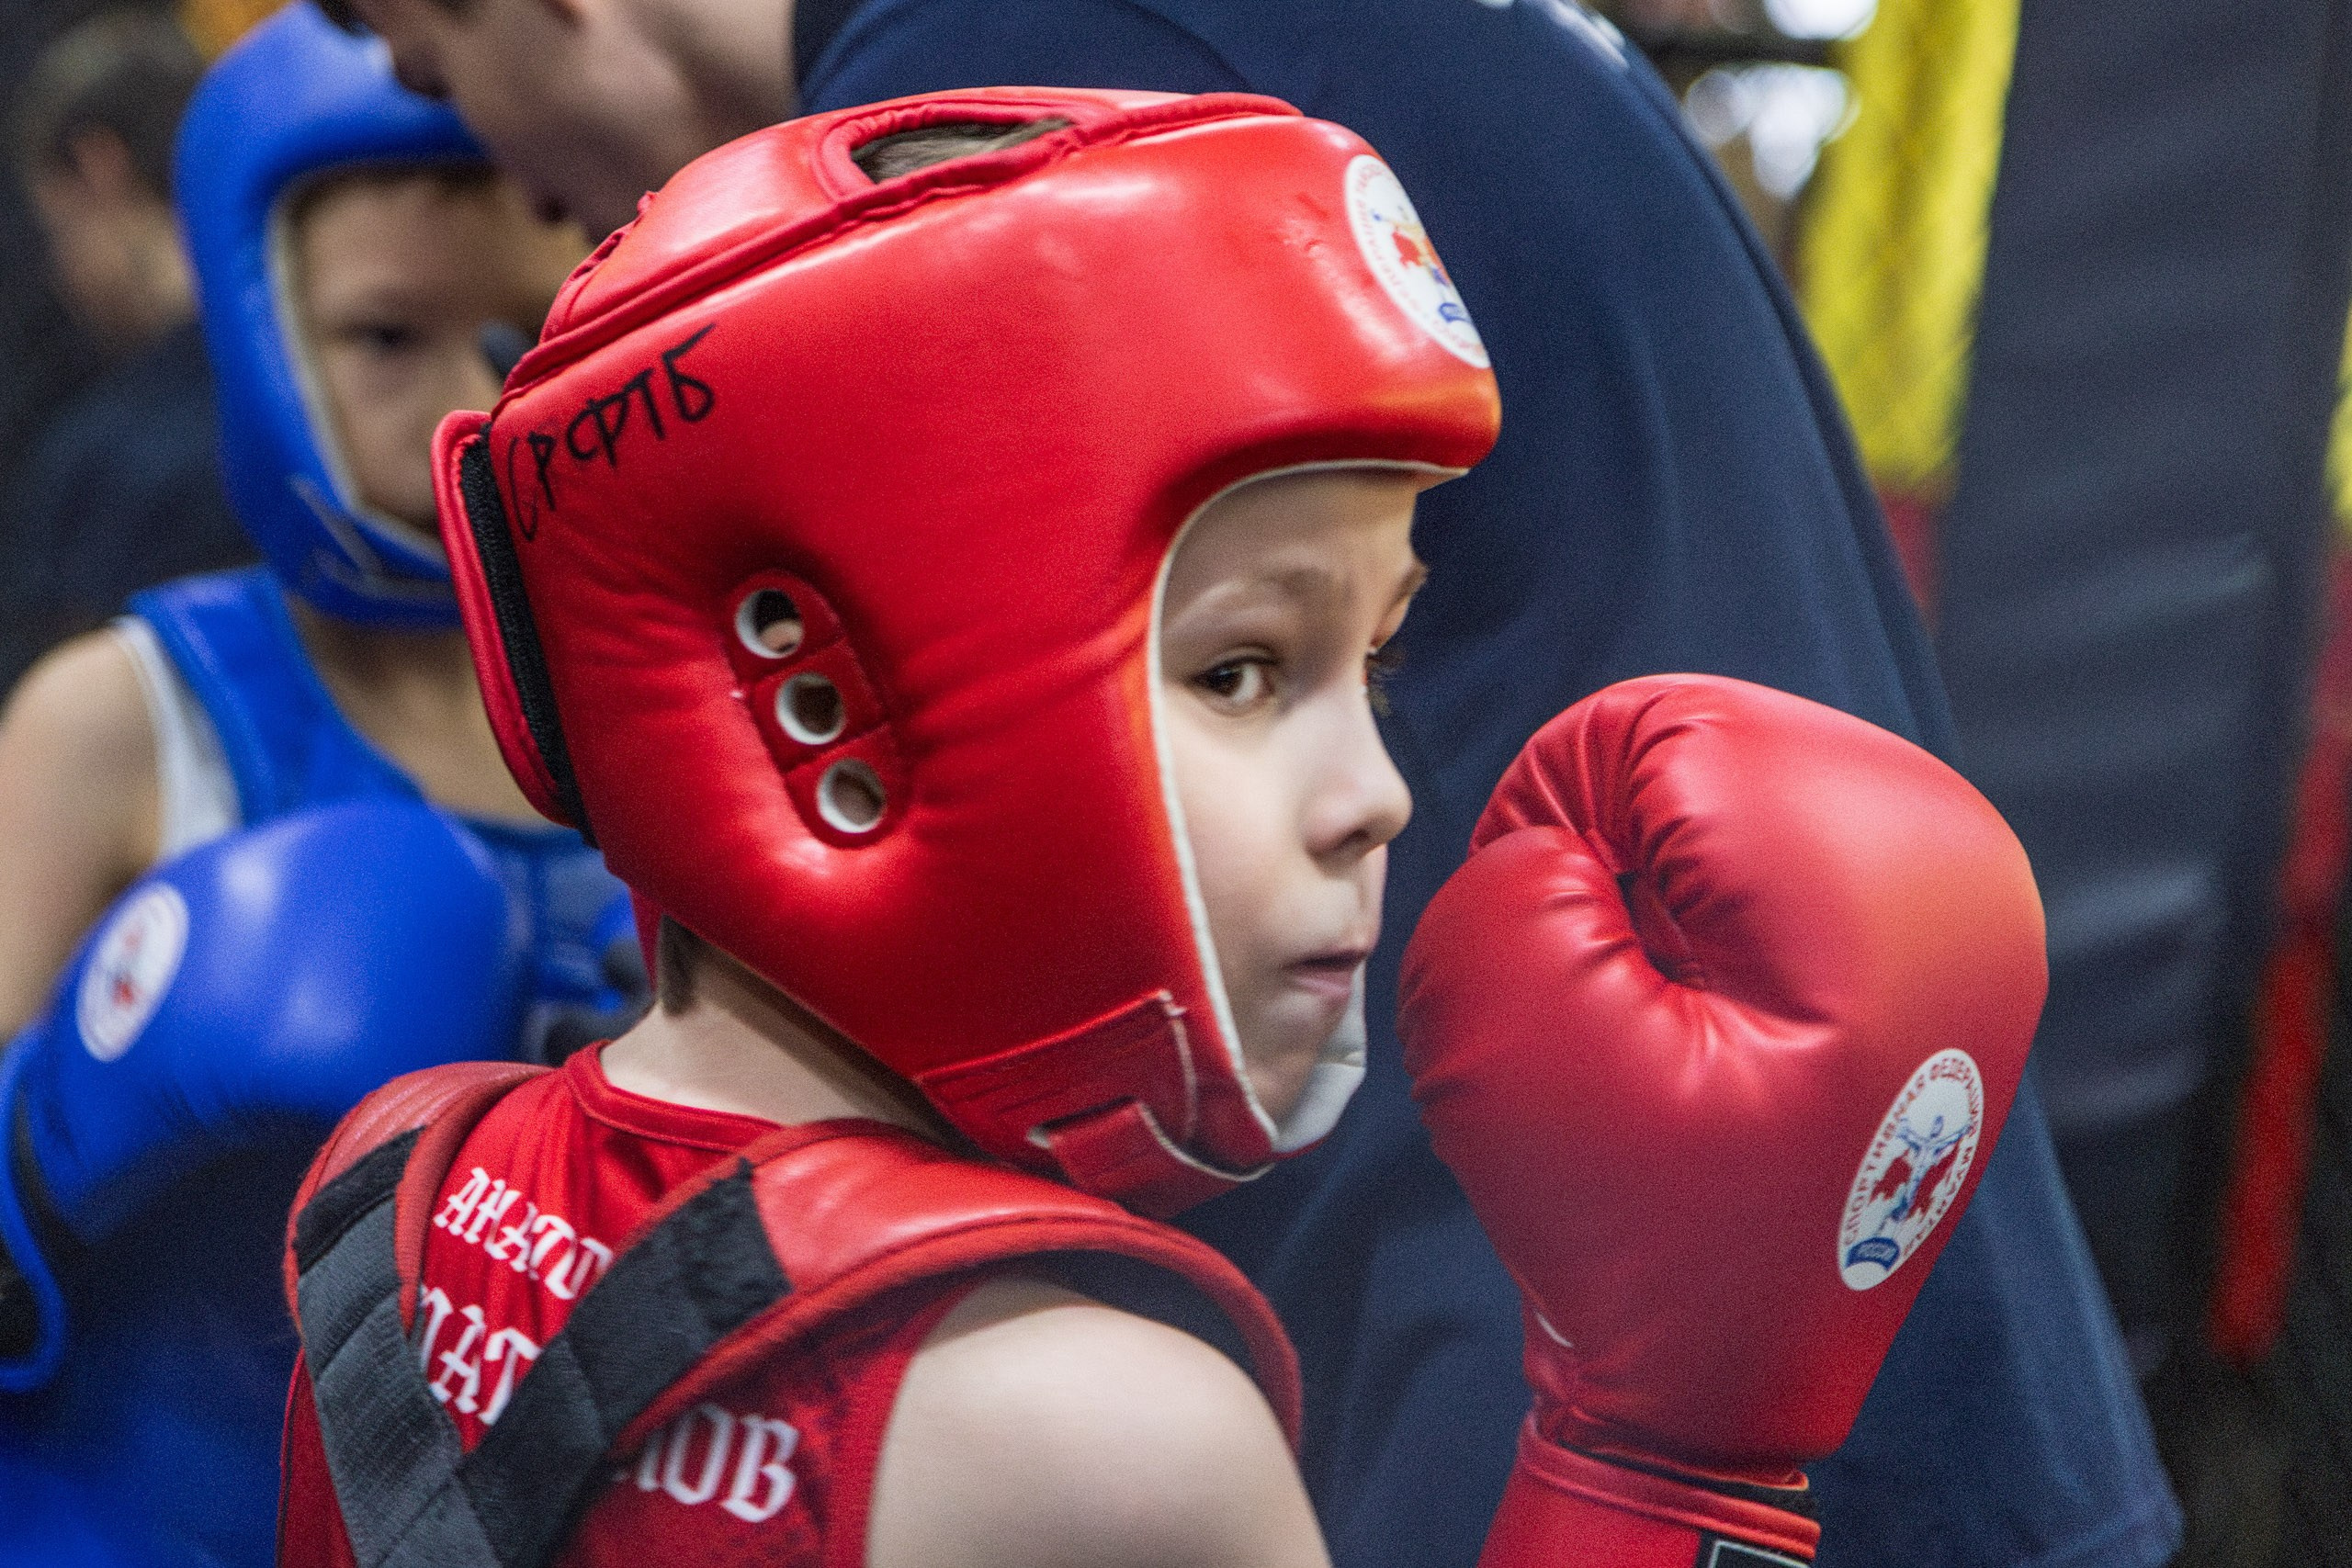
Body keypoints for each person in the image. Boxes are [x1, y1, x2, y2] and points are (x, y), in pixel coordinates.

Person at [315, 3, 2183, 1565]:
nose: (1381, 791)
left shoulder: (390, 1197)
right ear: (825, 704)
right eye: (1239, 671)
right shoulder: (1112, 1435)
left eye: (1372, 670)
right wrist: (1654, 1465)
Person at [0, 9, 637, 1564]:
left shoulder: (651, 719)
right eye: (381, 339)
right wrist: (79, 1116)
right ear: (253, 330)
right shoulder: (127, 715)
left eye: (515, 337)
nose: (456, 410)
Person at [2, 9, 252, 690]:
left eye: (59, 229)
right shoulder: (318, 382)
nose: (63, 275)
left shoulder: (96, 468)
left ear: (97, 168)